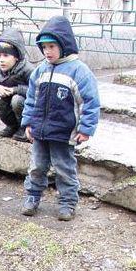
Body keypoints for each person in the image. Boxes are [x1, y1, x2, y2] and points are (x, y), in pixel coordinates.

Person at [20, 15, 100, 221]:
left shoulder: (79, 71)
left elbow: (90, 102)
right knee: (37, 166)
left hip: (64, 133)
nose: (47, 51)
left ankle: (67, 202)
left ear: (64, 45)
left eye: (52, 46)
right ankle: (32, 196)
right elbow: (31, 99)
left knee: (64, 169)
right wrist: (28, 122)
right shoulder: (40, 71)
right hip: (40, 131)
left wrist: (85, 128)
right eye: (44, 47)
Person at [0, 28, 33, 142]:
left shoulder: (27, 70)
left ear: (16, 57)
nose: (1, 60)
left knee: (16, 101)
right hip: (10, 106)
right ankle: (12, 126)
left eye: (6, 55)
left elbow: (36, 91)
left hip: (27, 108)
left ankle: (24, 128)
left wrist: (15, 90)